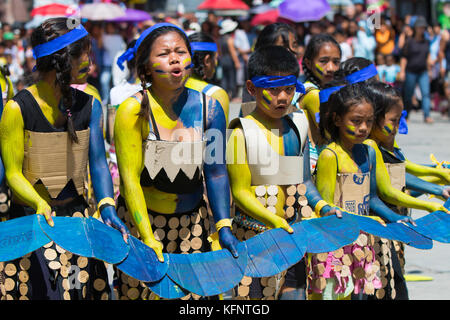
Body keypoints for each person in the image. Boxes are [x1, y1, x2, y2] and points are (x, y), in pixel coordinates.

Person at [0, 17, 128, 300]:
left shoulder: (89, 105)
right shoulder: (16, 109)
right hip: (31, 222)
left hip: (77, 219)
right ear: (59, 60)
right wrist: (38, 202)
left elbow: (97, 162)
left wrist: (107, 205)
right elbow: (12, 174)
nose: (89, 63)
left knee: (81, 292)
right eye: (82, 54)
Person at [113, 23, 239, 300]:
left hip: (193, 227)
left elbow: (216, 172)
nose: (174, 59)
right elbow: (129, 180)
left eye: (180, 52)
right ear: (145, 67)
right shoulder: (132, 111)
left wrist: (223, 226)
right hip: (141, 227)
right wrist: (146, 237)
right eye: (164, 53)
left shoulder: (210, 108)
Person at [226, 45, 340, 300]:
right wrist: (273, 220)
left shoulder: (297, 125)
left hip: (291, 239)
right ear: (251, 89)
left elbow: (303, 181)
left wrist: (322, 206)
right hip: (253, 240)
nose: (282, 98)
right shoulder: (239, 132)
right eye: (273, 89)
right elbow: (240, 192)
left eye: (289, 89)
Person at [311, 82, 413, 300]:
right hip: (335, 244)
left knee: (361, 295)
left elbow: (373, 198)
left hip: (362, 242)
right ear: (337, 119)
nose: (364, 128)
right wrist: (361, 221)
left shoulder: (369, 152)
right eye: (356, 121)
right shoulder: (330, 156)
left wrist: (394, 218)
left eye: (368, 121)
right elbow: (326, 208)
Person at [365, 81, 450, 299]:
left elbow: (404, 172)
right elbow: (387, 191)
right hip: (380, 230)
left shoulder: (389, 146)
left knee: (394, 282)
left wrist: (439, 179)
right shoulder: (370, 149)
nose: (397, 126)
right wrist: (433, 196)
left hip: (396, 229)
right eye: (394, 120)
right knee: (387, 286)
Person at [298, 33, 341, 171]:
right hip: (314, 166)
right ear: (308, 63)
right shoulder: (313, 94)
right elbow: (331, 133)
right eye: (323, 61)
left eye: (336, 62)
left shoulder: (324, 91)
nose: (331, 68)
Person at [242, 23, 299, 104]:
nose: (291, 52)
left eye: (294, 45)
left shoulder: (301, 86)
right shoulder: (258, 87)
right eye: (283, 48)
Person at [185, 32, 229, 124]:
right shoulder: (216, 94)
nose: (216, 63)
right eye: (216, 58)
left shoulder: (170, 88)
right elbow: (221, 136)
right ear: (207, 60)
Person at [399, 16, 433, 123]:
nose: (421, 29)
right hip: (410, 71)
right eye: (419, 27)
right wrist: (402, 71)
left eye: (423, 27)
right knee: (408, 94)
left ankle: (427, 115)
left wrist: (430, 69)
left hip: (423, 71)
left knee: (426, 93)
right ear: (415, 28)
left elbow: (428, 56)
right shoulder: (409, 41)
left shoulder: (426, 42)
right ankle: (407, 115)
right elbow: (404, 57)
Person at [218, 19, 240, 102]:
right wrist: (237, 62)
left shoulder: (221, 39)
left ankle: (225, 94)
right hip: (229, 60)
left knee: (224, 78)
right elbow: (232, 52)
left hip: (223, 59)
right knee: (232, 77)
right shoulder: (229, 39)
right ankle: (233, 96)